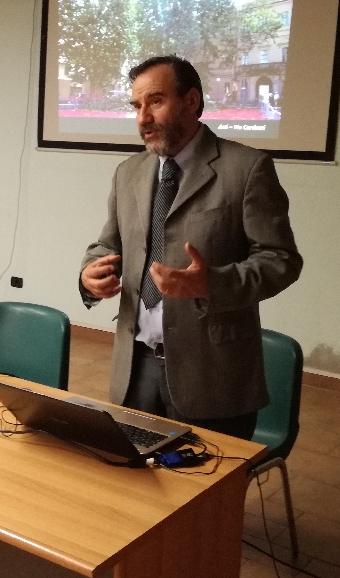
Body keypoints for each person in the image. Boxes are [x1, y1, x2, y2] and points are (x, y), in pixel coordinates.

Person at [79, 54, 302, 441]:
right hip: (135, 368)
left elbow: (280, 260)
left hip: (212, 372)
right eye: (136, 106)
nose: (142, 118)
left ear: (192, 101)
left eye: (155, 101)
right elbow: (107, 244)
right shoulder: (128, 173)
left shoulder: (246, 169)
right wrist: (90, 274)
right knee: (134, 486)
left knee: (204, 492)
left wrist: (211, 283)